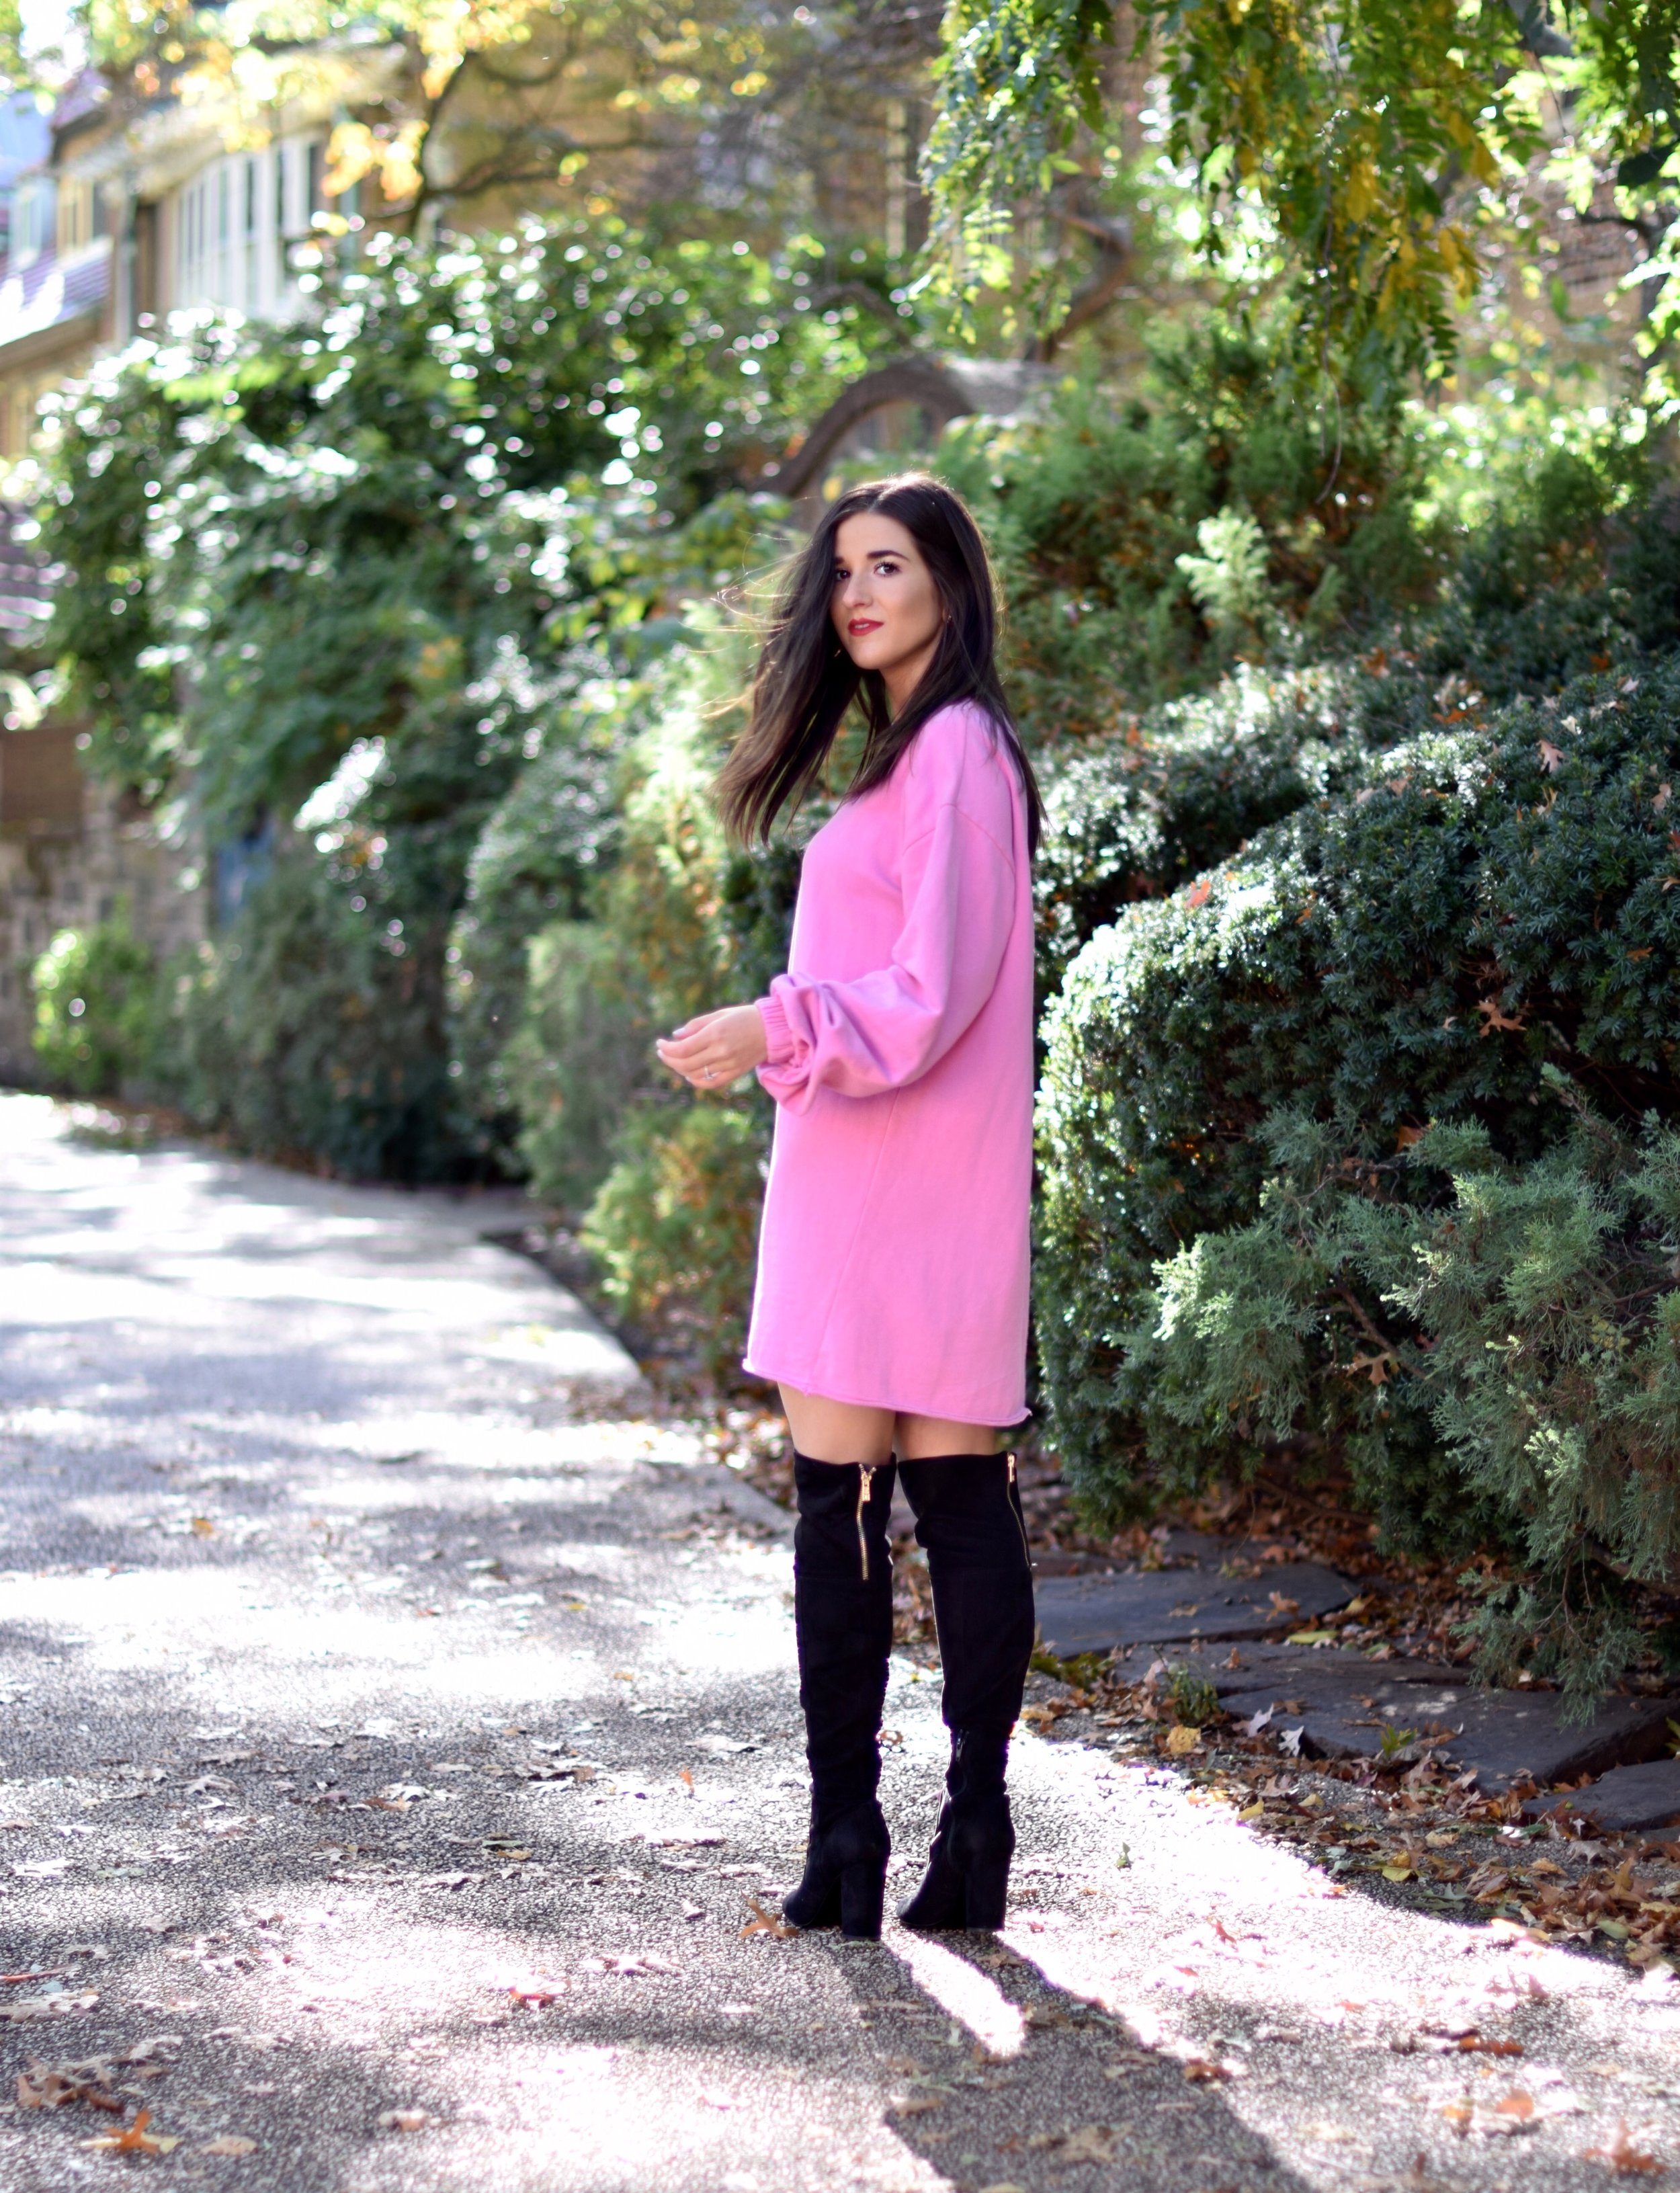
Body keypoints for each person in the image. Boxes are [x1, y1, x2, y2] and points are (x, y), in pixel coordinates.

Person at [656, 474, 1041, 1939]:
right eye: (840, 575)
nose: (856, 594)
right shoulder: (925, 756)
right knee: (905, 1508)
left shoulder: (954, 752)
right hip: (884, 1180)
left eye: (887, 565)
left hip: (905, 1183)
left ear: (950, 579)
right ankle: (890, 1838)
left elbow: (929, 993)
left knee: (890, 1509)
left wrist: (773, 1024)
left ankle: (892, 1840)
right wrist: (784, 1029)